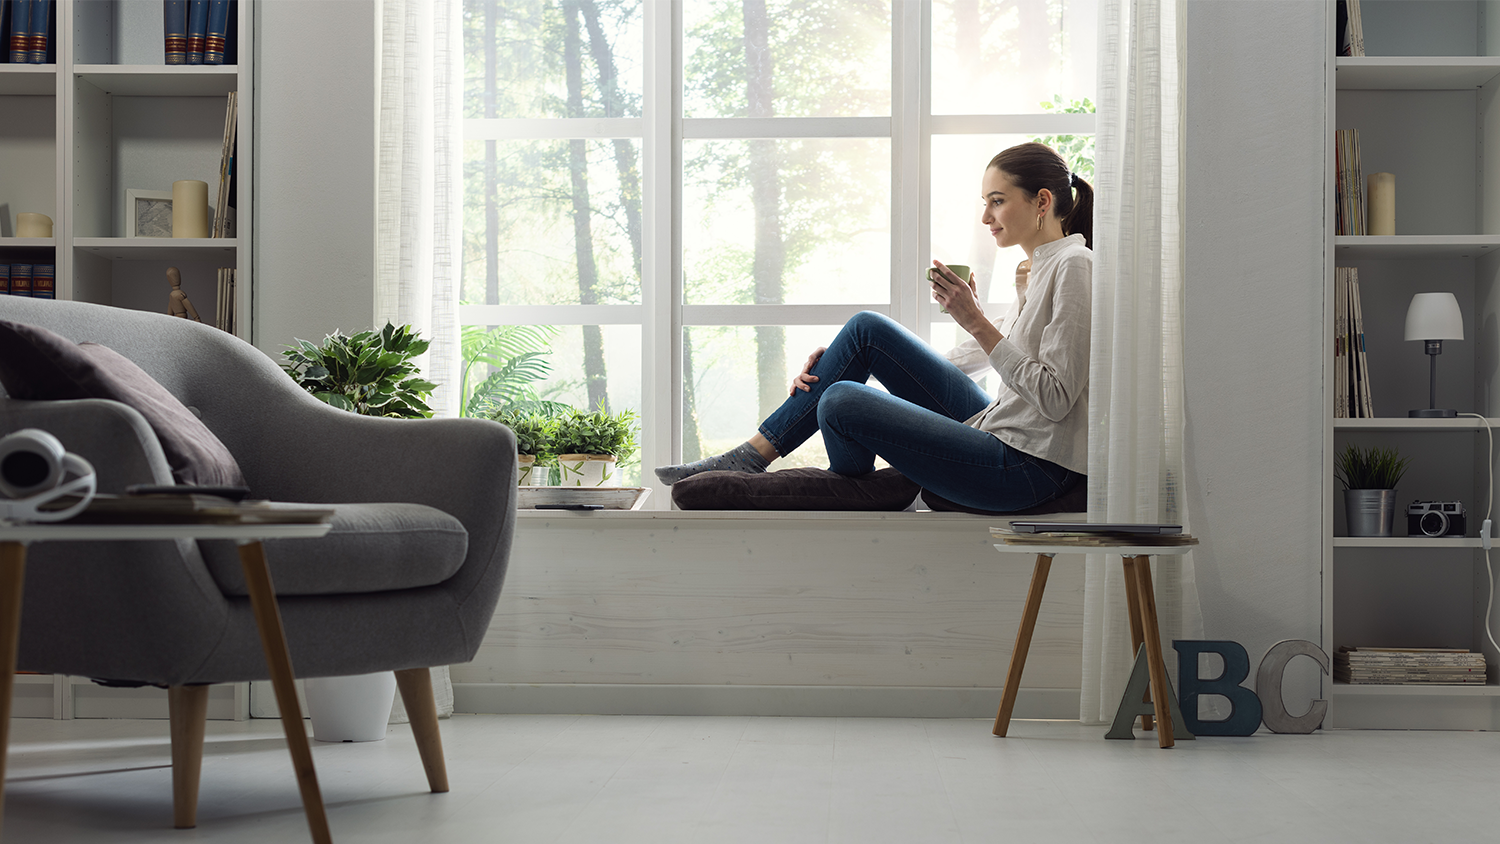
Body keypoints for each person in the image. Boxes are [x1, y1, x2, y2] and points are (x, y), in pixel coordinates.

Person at [655, 141, 1093, 513]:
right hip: (998, 429)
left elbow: (1055, 399)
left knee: (842, 401)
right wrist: (841, 365)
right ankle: (752, 454)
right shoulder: (1032, 271)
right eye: (985, 203)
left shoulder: (1074, 267)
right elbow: (973, 359)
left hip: (1026, 467)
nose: (985, 217)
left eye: (997, 201)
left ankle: (855, 482)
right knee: (865, 332)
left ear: (1041, 201)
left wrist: (975, 321)